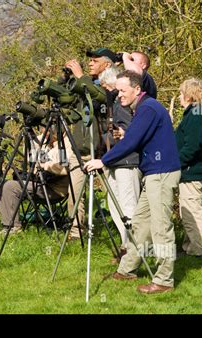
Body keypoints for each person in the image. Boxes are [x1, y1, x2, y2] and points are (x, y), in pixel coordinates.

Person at [84, 70, 181, 294]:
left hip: (161, 174)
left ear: (137, 89)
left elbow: (132, 143)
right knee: (140, 222)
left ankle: (164, 280)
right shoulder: (145, 107)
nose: (118, 95)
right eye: (117, 90)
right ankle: (127, 268)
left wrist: (103, 161)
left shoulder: (147, 108)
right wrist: (125, 135)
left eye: (122, 90)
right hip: (154, 173)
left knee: (160, 228)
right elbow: (139, 138)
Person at [63, 48, 115, 240]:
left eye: (95, 60)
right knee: (74, 193)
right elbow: (67, 103)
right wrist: (65, 82)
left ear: (107, 64)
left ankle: (126, 232)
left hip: (103, 150)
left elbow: (101, 97)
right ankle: (76, 233)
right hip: (80, 149)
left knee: (115, 194)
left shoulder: (110, 85)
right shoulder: (85, 85)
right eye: (89, 61)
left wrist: (79, 76)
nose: (90, 63)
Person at [98, 67, 141, 263]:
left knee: (128, 207)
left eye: (108, 87)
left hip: (127, 162)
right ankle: (126, 247)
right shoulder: (116, 104)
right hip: (116, 161)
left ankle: (133, 252)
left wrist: (117, 133)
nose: (108, 92)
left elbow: (132, 130)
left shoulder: (122, 105)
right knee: (114, 206)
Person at [0, 129, 74, 235]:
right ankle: (10, 225)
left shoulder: (66, 144)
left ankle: (13, 227)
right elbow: (30, 158)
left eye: (46, 128)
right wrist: (37, 139)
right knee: (8, 183)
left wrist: (44, 166)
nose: (43, 130)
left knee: (9, 187)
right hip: (41, 183)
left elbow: (64, 168)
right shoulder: (47, 142)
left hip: (54, 190)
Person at [175, 78, 202, 257]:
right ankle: (188, 247)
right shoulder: (192, 114)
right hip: (188, 171)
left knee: (191, 212)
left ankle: (196, 250)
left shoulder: (196, 115)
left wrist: (176, 163)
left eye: (181, 93)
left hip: (191, 171)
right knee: (186, 210)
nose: (179, 97)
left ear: (189, 96)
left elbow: (192, 147)